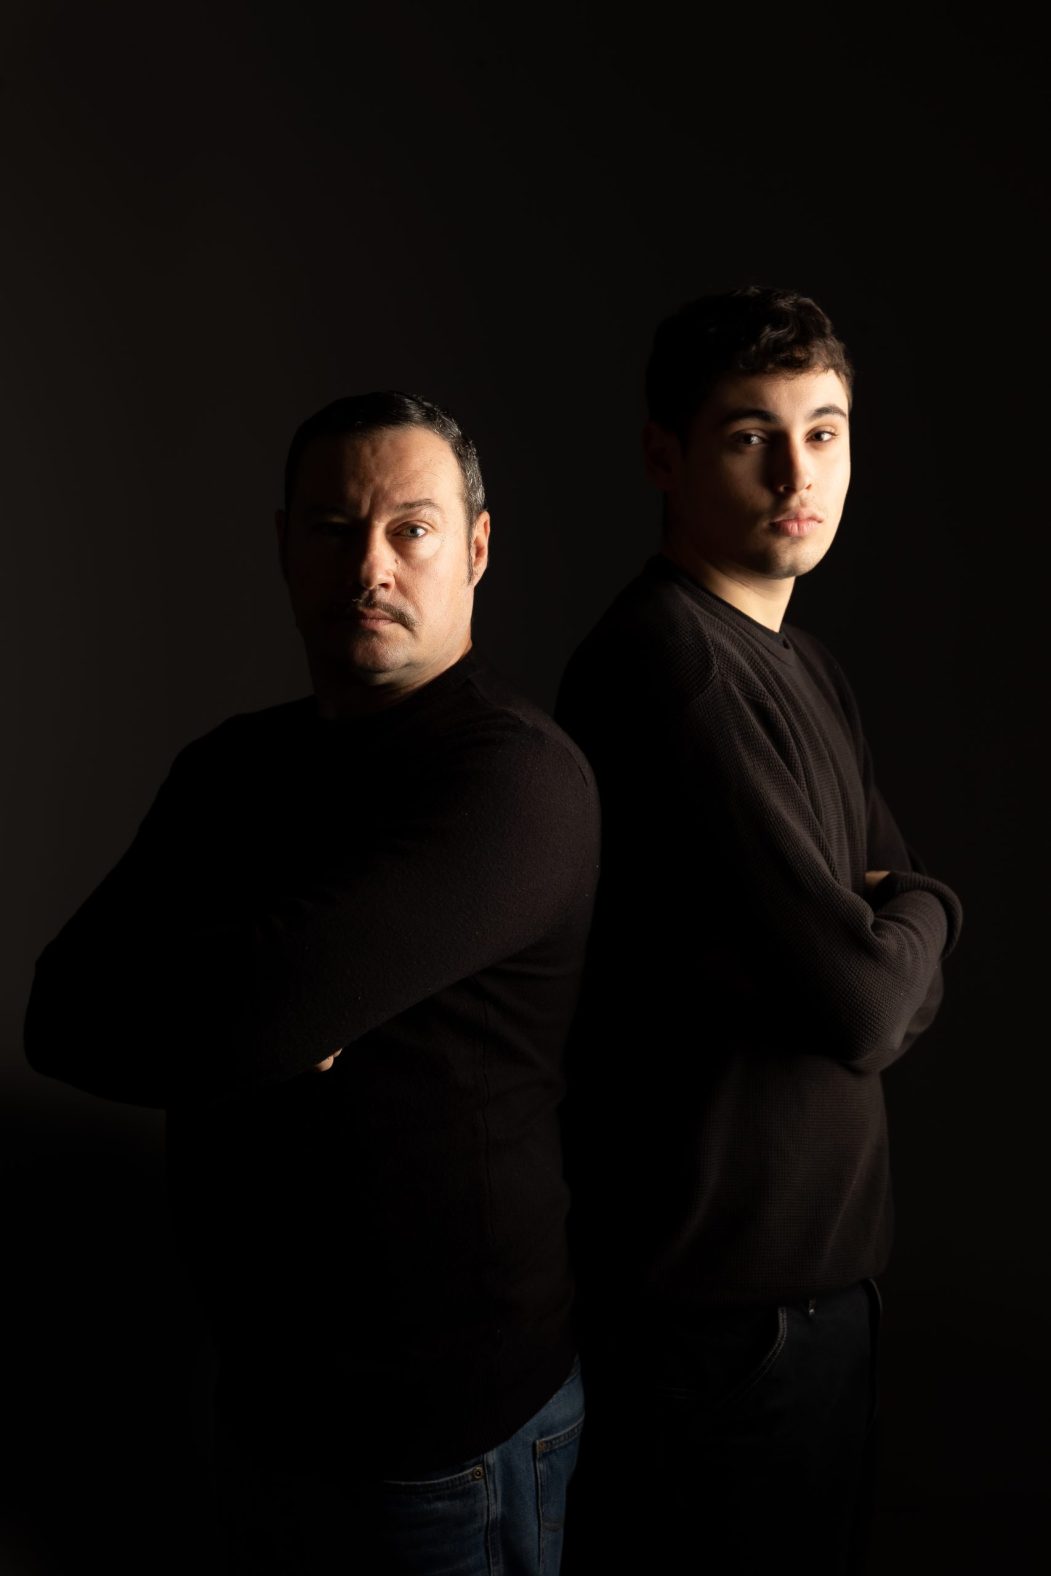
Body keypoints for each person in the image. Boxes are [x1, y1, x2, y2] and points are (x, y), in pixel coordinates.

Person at [24, 391, 600, 1575]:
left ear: (475, 548)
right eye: (335, 529)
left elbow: (256, 1015)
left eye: (410, 529)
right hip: (259, 1407)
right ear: (285, 545)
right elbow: (61, 1011)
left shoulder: (515, 781)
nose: (369, 565)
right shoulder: (228, 769)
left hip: (442, 1440)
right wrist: (271, 1015)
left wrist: (245, 1004)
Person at [555, 287, 963, 1574]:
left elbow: (901, 933)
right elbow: (865, 1004)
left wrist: (913, 906)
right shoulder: (670, 668)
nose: (798, 475)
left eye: (823, 432)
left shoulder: (804, 663)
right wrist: (923, 909)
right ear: (662, 455)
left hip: (815, 1299)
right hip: (719, 1324)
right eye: (750, 437)